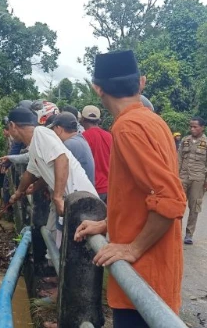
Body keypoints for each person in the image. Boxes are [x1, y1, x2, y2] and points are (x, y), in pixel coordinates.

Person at [73, 50, 186, 327]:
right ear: (142, 82)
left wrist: (133, 248)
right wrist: (107, 224)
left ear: (97, 88)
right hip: (156, 274)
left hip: (142, 277)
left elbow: (170, 198)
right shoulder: (154, 121)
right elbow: (138, 194)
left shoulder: (127, 128)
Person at [7, 107, 98, 244]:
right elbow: (30, 173)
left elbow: (62, 159)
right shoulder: (33, 146)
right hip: (69, 202)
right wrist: (20, 192)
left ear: (13, 125)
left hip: (81, 201)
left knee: (72, 247)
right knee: (57, 247)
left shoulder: (41, 134)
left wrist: (57, 196)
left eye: (8, 127)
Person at [178, 117, 207, 244]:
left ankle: (189, 234)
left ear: (202, 127)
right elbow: (179, 159)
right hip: (183, 177)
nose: (192, 129)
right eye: (191, 126)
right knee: (178, 205)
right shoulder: (185, 140)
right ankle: (176, 232)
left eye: (195, 127)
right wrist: (174, 176)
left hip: (198, 179)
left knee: (194, 207)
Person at [46, 112, 95, 184]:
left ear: (59, 129)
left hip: (80, 192)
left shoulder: (69, 145)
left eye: (54, 129)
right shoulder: (79, 139)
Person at [81, 105, 112, 203]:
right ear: (99, 120)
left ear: (82, 119)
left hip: (92, 188)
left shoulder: (82, 138)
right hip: (110, 188)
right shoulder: (109, 136)